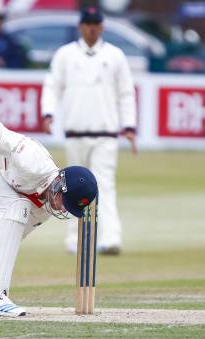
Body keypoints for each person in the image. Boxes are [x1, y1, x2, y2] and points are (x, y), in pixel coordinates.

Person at [0, 116, 98, 317]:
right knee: (17, 206)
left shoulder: (42, 210)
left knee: (15, 215)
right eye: (63, 201)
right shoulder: (35, 162)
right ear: (60, 184)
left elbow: (2, 239)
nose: (60, 208)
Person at [41, 6, 137, 256]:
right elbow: (52, 85)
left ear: (102, 27)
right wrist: (48, 112)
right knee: (72, 188)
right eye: (87, 23)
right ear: (80, 26)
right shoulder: (65, 55)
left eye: (96, 23)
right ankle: (74, 239)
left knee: (105, 184)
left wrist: (129, 126)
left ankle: (111, 237)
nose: (92, 28)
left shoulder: (115, 55)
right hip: (75, 133)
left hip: (105, 134)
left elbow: (126, 92)